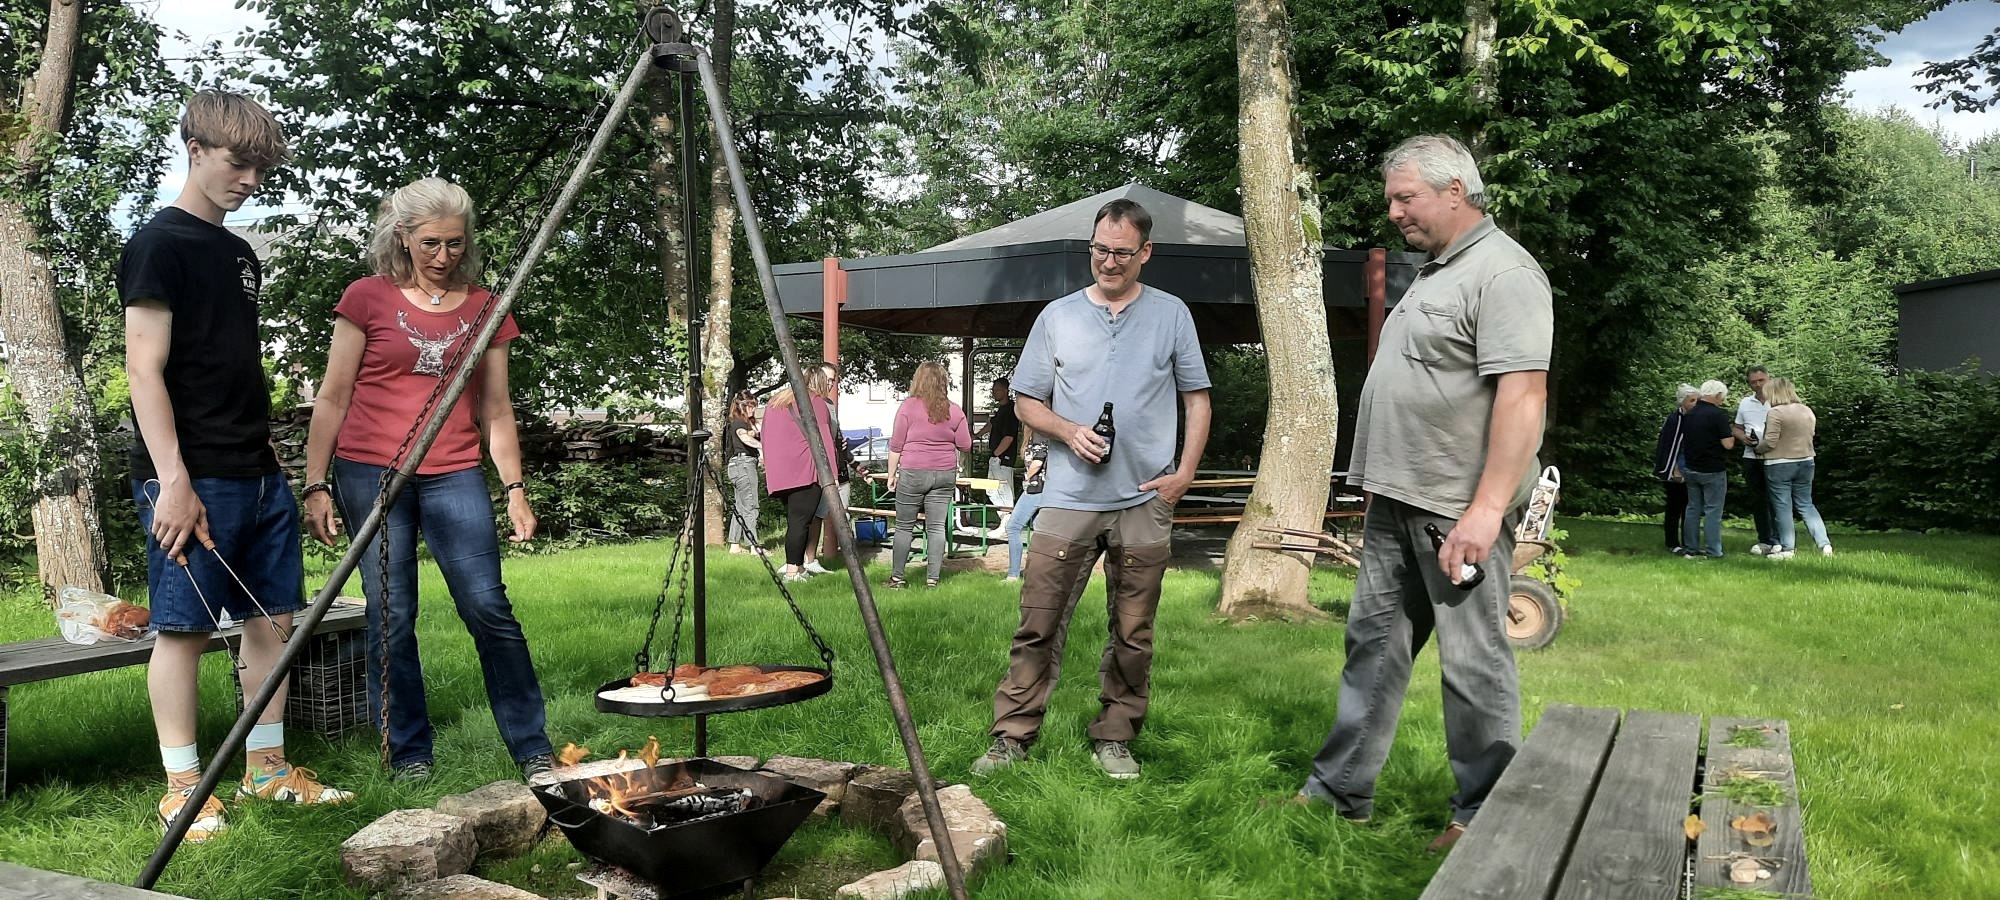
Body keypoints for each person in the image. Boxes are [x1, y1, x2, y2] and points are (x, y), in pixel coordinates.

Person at [1291, 134, 1551, 853]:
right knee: (1373, 646)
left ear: (1455, 191)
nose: (1394, 212)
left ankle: (1484, 817)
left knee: (1472, 664)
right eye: (1392, 200)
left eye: (1405, 198)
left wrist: (1486, 511)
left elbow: (1524, 396)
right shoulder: (1437, 272)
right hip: (1399, 497)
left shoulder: (1504, 273)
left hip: (1456, 508)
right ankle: (1339, 791)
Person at [122, 91, 353, 842]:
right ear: (195, 150)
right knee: (184, 630)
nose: (250, 180)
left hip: (256, 470)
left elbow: (229, 364)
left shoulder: (239, 253)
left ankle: (266, 769)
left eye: (261, 168)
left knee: (273, 618)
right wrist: (174, 482)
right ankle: (182, 788)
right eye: (237, 163)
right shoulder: (158, 244)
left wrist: (273, 465)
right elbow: (143, 370)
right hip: (190, 474)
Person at [302, 177, 554, 783]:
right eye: (430, 243)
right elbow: (333, 397)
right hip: (369, 472)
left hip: (454, 472)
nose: (444, 256)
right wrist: (315, 483)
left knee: (488, 606)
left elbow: (496, 408)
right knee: (392, 615)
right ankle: (409, 755)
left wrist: (515, 489)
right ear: (403, 237)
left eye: (455, 243)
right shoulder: (366, 297)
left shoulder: (486, 306)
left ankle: (533, 747)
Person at [973, 197, 1212, 782]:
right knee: (1038, 622)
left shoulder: (1171, 314)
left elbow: (1197, 399)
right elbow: (1026, 400)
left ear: (1145, 253)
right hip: (1067, 499)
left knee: (1133, 631)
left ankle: (1116, 735)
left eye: (1121, 253)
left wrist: (1183, 474)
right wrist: (1067, 431)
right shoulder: (1057, 317)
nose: (1108, 261)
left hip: (1145, 498)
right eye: (1100, 250)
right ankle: (1012, 737)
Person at [887, 361, 972, 589]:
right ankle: (933, 579)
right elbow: (965, 445)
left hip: (913, 472)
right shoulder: (954, 410)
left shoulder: (908, 407)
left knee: (904, 526)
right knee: (936, 527)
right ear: (943, 382)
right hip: (944, 474)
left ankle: (897, 578)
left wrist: (891, 475)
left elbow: (896, 445)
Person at [761, 367, 840, 582]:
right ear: (819, 382)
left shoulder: (777, 400)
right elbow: (824, 439)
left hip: (780, 472)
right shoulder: (815, 402)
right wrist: (832, 475)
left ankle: (798, 567)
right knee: (801, 522)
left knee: (796, 520)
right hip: (805, 470)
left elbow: (764, 435)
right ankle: (792, 571)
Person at [1755, 377, 1834, 559]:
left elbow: (1770, 441)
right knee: (1806, 504)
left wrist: (1758, 448)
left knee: (1783, 507)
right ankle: (1824, 544)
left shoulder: (1775, 412)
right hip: (1806, 461)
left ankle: (1788, 548)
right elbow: (1811, 434)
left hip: (1779, 464)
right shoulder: (1806, 410)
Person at [1681, 380, 1737, 559]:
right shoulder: (1718, 415)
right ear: (1718, 395)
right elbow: (1728, 444)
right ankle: (1713, 550)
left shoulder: (1690, 413)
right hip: (1713, 469)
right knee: (1713, 511)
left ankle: (1691, 548)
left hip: (1691, 467)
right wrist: (1733, 434)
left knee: (1693, 509)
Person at [1733, 366, 1779, 555]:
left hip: (1775, 456)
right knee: (1758, 500)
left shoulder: (1779, 401)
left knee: (1776, 499)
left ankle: (1779, 540)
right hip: (1751, 457)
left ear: (1769, 379)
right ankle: (1764, 539)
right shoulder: (1746, 402)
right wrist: (1743, 438)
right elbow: (1736, 428)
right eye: (1753, 382)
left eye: (1761, 380)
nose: (1758, 385)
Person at [1653, 384, 1699, 553]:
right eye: (1692, 400)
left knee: (1689, 507)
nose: (1695, 404)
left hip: (1690, 469)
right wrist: (1675, 469)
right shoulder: (1675, 420)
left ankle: (1689, 543)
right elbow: (1671, 447)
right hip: (1675, 470)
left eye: (1697, 400)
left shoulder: (1693, 419)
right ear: (1682, 402)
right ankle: (1672, 543)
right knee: (1674, 507)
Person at [977, 377, 1023, 530]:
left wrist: (997, 453)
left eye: (997, 390)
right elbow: (990, 424)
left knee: (1004, 489)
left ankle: (1008, 524)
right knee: (992, 490)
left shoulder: (1011, 410)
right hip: (996, 457)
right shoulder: (1000, 411)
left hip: (1003, 458)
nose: (994, 393)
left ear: (1005, 390)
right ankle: (1004, 520)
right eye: (993, 390)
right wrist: (976, 435)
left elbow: (1009, 436)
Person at [1001, 435, 1048, 583]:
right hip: (1041, 489)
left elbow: (1038, 462)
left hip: (1035, 489)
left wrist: (1027, 477)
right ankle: (1040, 573)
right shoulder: (1036, 435)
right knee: (1040, 531)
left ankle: (1013, 575)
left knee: (1013, 527)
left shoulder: (1039, 435)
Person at [723, 391, 763, 554]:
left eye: (754, 405)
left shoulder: (742, 423)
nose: (753, 409)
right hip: (744, 465)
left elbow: (757, 430)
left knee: (740, 507)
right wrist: (762, 446)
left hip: (736, 466)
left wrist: (755, 432)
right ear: (742, 406)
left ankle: (734, 545)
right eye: (750, 406)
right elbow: (744, 438)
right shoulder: (739, 423)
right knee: (751, 506)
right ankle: (754, 547)